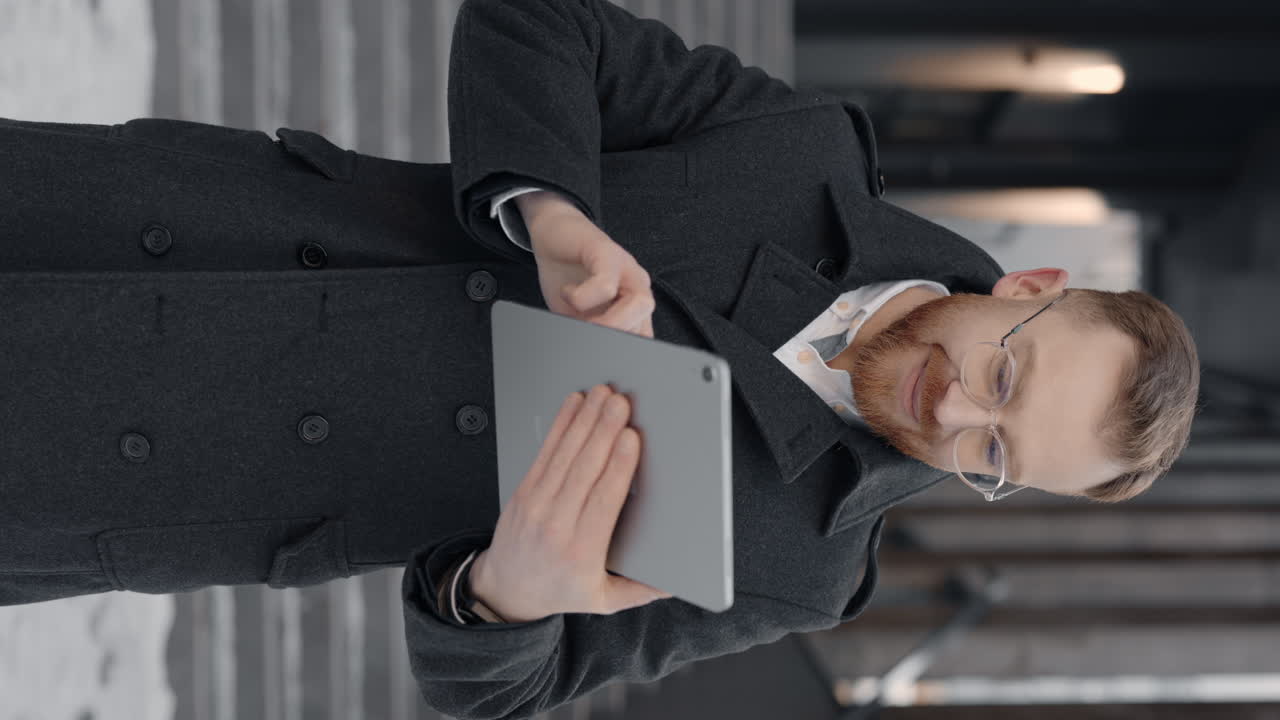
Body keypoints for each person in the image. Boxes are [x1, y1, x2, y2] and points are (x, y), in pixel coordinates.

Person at [0, 0, 1198, 718]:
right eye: (1004, 378)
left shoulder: (805, 566)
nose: (953, 424)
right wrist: (553, 214)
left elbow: (507, 690)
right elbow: (541, 20)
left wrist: (508, 594)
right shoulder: (803, 158)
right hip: (171, 231)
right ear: (1031, 290)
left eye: (993, 457)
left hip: (152, 480)